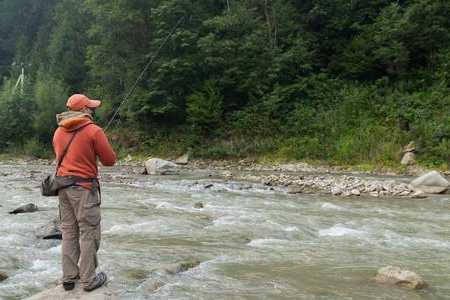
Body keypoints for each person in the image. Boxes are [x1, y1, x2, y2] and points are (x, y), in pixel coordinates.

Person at [53, 94, 116, 292]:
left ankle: (69, 278)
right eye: (89, 107)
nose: (92, 110)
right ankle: (89, 279)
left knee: (69, 232)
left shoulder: (58, 132)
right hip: (85, 189)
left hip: (63, 188)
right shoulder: (94, 131)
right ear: (83, 110)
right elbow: (109, 160)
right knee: (89, 232)